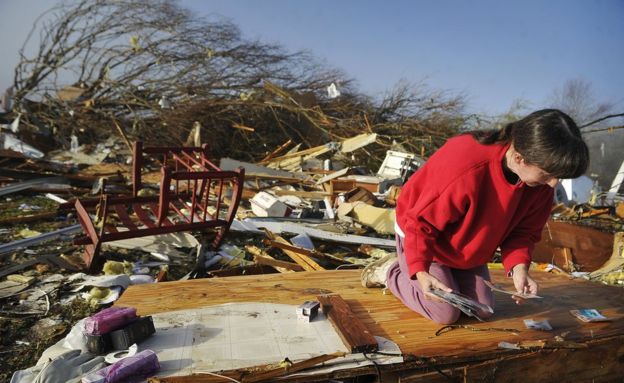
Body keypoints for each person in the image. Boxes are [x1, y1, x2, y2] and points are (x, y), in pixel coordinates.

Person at [361, 109, 589, 324]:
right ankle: (391, 271)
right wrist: (420, 270)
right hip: (426, 240)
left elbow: (524, 233)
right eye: (548, 174)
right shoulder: (465, 163)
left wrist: (519, 267)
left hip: (469, 248)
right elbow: (420, 224)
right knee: (445, 312)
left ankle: (439, 272)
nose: (553, 184)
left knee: (481, 310)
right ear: (520, 158)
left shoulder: (540, 186)